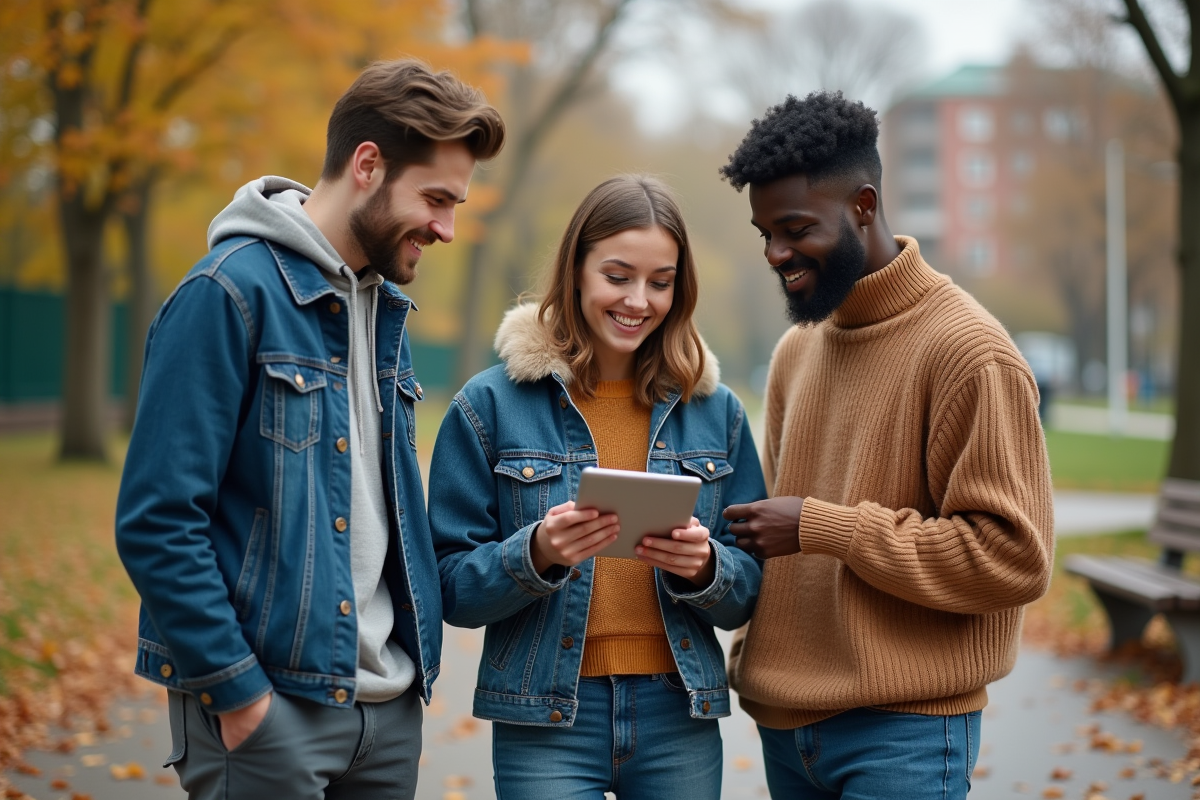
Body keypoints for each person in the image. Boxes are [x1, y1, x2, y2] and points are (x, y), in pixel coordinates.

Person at [114, 59, 504, 800]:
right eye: (436, 199)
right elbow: (158, 520)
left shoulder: (386, 310)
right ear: (367, 165)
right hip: (272, 712)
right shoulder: (227, 293)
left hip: (386, 717)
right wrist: (238, 694)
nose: (447, 228)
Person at [718, 92, 1054, 799]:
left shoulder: (969, 353)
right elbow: (772, 541)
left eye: (795, 228)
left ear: (863, 206)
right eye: (764, 233)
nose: (777, 254)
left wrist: (822, 525)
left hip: (904, 732)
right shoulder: (795, 350)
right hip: (784, 725)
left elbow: (1013, 557)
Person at [428, 175, 766, 799]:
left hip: (678, 713)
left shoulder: (717, 412)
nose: (638, 300)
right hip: (545, 716)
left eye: (660, 282)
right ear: (577, 270)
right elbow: (448, 587)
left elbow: (747, 594)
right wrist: (537, 554)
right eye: (617, 275)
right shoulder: (489, 406)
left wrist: (707, 567)